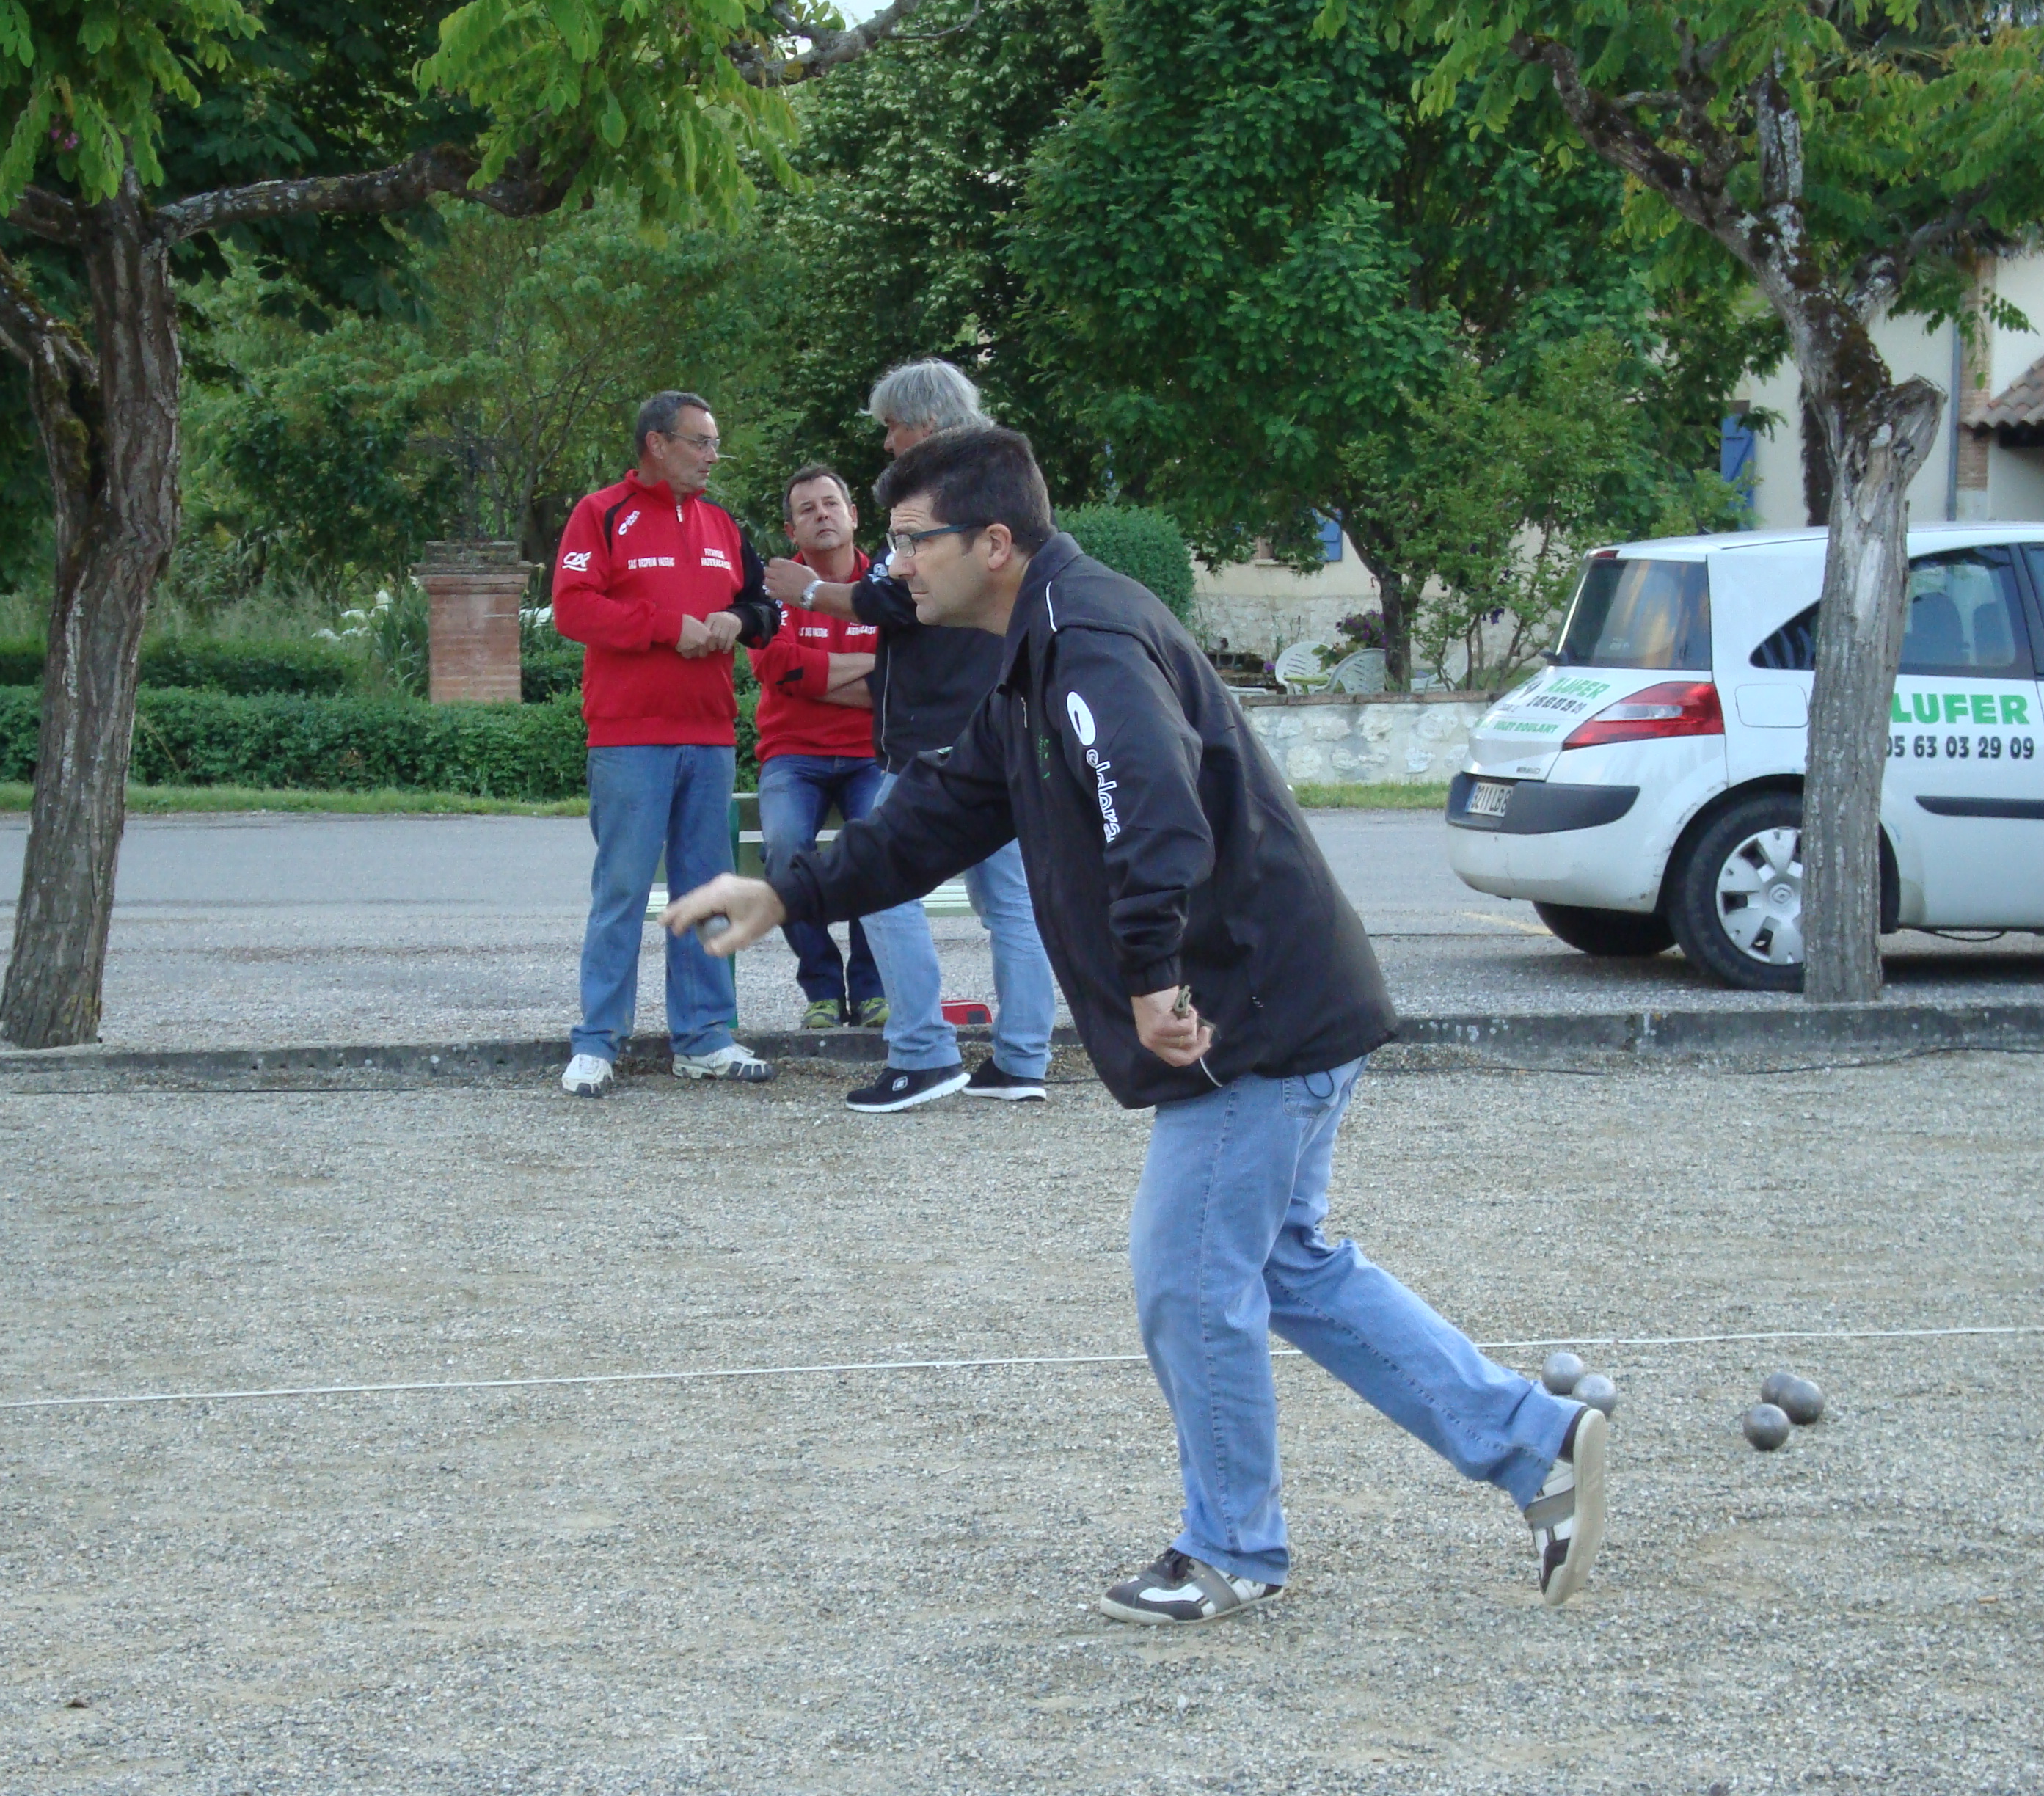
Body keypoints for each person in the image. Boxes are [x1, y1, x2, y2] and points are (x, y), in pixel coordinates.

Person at [666, 426, 1607, 1621]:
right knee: (1281, 1263)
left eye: (912, 540)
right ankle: (1534, 1441)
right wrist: (788, 890)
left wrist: (1155, 971)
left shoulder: (1085, 642)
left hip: (1242, 1013)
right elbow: (939, 815)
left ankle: (1230, 1547)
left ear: (992, 542)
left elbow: (1151, 803)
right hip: (1276, 994)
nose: (891, 565)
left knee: (1185, 1275)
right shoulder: (1031, 647)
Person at [762, 360, 1056, 1114]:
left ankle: (923, 1054)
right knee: (1013, 904)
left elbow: (903, 597)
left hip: (939, 735)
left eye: (893, 427)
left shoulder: (942, 494)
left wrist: (815, 595)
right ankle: (1024, 1058)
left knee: (884, 887)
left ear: (924, 423)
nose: (889, 444)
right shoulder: (1011, 485)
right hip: (1005, 720)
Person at [550, 390, 782, 1098]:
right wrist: (665, 626)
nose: (713, 456)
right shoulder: (601, 514)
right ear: (657, 443)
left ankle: (705, 1037)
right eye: (701, 442)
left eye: (715, 444)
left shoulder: (721, 522)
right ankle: (597, 1042)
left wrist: (736, 621)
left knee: (705, 890)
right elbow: (572, 607)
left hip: (708, 735)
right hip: (629, 736)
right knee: (622, 889)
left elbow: (766, 608)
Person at [748, 464, 887, 1030]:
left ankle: (873, 988)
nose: (822, 515)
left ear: (853, 516)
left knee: (883, 847)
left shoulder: (887, 584)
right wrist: (875, 673)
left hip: (872, 753)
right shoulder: (772, 590)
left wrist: (816, 678)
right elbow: (776, 666)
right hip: (793, 753)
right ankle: (823, 990)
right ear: (791, 531)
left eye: (831, 504)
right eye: (807, 509)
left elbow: (911, 675)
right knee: (784, 848)